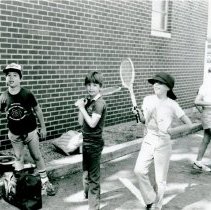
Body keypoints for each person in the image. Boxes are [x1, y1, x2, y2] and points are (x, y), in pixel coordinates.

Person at [133, 72, 193, 210]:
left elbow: (188, 123)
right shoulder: (147, 99)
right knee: (139, 170)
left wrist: (172, 131)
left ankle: (157, 206)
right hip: (149, 139)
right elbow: (143, 121)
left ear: (168, 87)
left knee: (160, 179)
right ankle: (150, 198)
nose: (156, 85)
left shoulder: (172, 104)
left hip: (163, 142)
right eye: (154, 82)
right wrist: (139, 115)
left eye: (160, 83)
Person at [0, 63, 55, 196]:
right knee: (19, 157)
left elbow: (37, 110)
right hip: (14, 133)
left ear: (20, 78)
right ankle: (21, 183)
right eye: (8, 75)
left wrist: (43, 126)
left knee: (36, 155)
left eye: (15, 75)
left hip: (30, 131)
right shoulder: (3, 96)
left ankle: (45, 181)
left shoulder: (27, 94)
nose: (11, 77)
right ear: (5, 78)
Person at [75, 71, 107, 210]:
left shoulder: (99, 103)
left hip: (94, 143)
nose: (91, 87)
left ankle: (94, 206)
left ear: (100, 86)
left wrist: (82, 108)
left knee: (93, 177)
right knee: (85, 172)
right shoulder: (89, 101)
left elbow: (93, 124)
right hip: (86, 141)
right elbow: (80, 122)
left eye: (94, 85)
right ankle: (88, 196)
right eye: (88, 84)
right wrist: (81, 106)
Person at [193, 79, 211, 172]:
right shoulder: (206, 85)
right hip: (209, 114)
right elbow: (196, 101)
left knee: (206, 139)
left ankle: (198, 162)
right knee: (206, 138)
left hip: (207, 114)